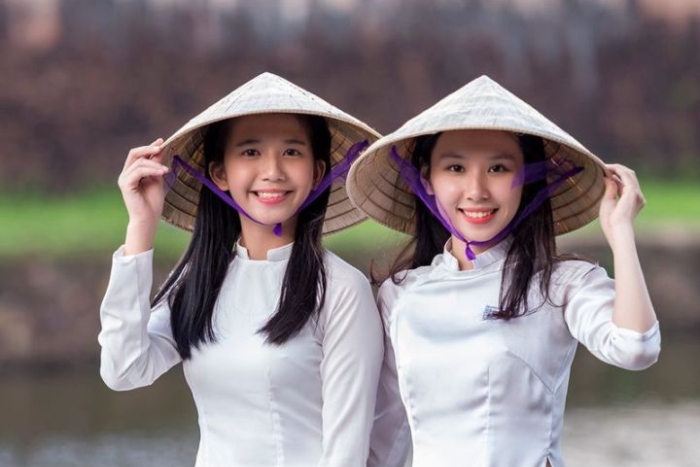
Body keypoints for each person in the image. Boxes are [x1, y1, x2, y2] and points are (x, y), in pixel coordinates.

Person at [346, 75, 661, 467]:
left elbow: (636, 347)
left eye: (498, 168)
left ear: (527, 181)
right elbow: (387, 439)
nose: (476, 190)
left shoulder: (559, 285)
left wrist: (621, 233)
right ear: (427, 179)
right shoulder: (401, 294)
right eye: (456, 168)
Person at [98, 72, 384, 467]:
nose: (273, 171)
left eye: (292, 153)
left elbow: (347, 450)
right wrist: (141, 227)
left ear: (317, 172)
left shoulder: (340, 289)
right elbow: (123, 368)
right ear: (220, 173)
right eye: (250, 153)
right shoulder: (200, 280)